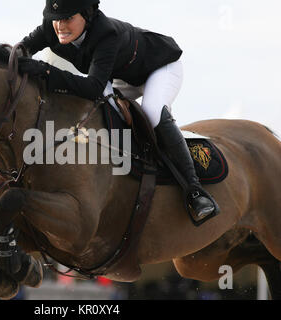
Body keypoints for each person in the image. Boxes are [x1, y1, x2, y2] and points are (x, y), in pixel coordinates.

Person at [18, 0, 216, 219]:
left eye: (68, 18)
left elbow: (93, 87)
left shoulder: (105, 33)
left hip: (159, 67)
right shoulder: (50, 26)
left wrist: (45, 71)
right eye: (56, 18)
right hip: (121, 75)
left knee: (151, 113)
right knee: (94, 111)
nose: (60, 26)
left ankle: (195, 190)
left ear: (87, 14)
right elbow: (22, 49)